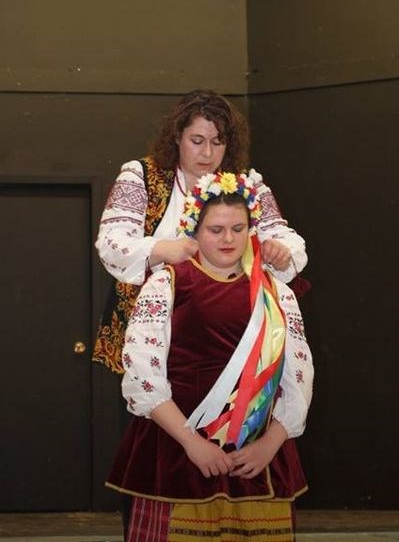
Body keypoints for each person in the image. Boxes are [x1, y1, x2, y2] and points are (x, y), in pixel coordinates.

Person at [106, 172, 314, 541]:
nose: (228, 239)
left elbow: (298, 376)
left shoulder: (277, 293)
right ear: (194, 230)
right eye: (216, 230)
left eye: (238, 228)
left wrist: (271, 443)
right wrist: (192, 444)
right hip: (180, 450)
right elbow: (142, 376)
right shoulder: (166, 284)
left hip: (257, 458)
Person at [93, 89, 308, 375]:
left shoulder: (246, 184)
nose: (207, 153)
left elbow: (286, 239)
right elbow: (111, 243)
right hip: (153, 337)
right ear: (177, 137)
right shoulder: (140, 177)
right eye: (197, 141)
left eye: (218, 142)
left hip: (224, 339)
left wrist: (281, 252)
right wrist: (164, 249)